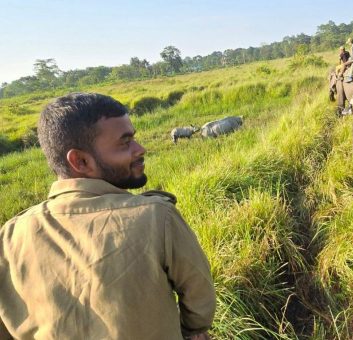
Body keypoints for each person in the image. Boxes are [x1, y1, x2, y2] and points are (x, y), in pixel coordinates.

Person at [0, 93, 216, 339]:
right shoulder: (157, 217)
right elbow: (200, 301)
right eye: (125, 143)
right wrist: (191, 331)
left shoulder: (9, 237)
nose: (140, 149)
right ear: (80, 161)